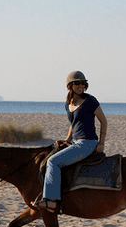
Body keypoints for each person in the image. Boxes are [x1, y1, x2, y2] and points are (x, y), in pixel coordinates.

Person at [35, 71, 108, 212]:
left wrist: (102, 143)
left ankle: (51, 200)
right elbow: (73, 124)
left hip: (87, 143)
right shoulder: (68, 104)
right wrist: (67, 139)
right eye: (78, 83)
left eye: (83, 83)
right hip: (75, 142)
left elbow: (103, 121)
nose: (81, 86)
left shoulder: (90, 101)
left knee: (52, 162)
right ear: (70, 85)